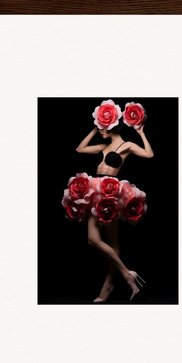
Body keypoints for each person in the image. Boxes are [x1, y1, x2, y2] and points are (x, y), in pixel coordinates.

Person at [61, 100, 154, 302]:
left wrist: (140, 133)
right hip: (96, 190)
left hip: (112, 192)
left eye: (102, 127)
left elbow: (149, 154)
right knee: (95, 240)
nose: (100, 130)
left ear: (112, 126)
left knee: (110, 241)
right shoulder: (103, 146)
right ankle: (127, 274)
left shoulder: (127, 145)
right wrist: (95, 130)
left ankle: (107, 287)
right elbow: (80, 149)